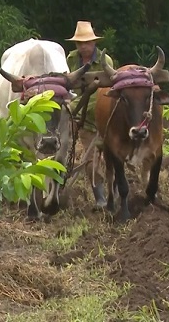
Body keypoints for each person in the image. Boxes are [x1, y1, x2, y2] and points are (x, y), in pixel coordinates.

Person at [64, 20, 115, 209]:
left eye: (88, 42)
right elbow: (67, 84)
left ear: (94, 43)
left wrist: (76, 104)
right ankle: (100, 198)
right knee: (90, 158)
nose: (84, 46)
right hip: (80, 115)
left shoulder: (105, 61)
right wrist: (72, 106)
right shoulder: (70, 59)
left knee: (110, 157)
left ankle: (113, 193)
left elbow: (104, 93)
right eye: (80, 43)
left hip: (102, 114)